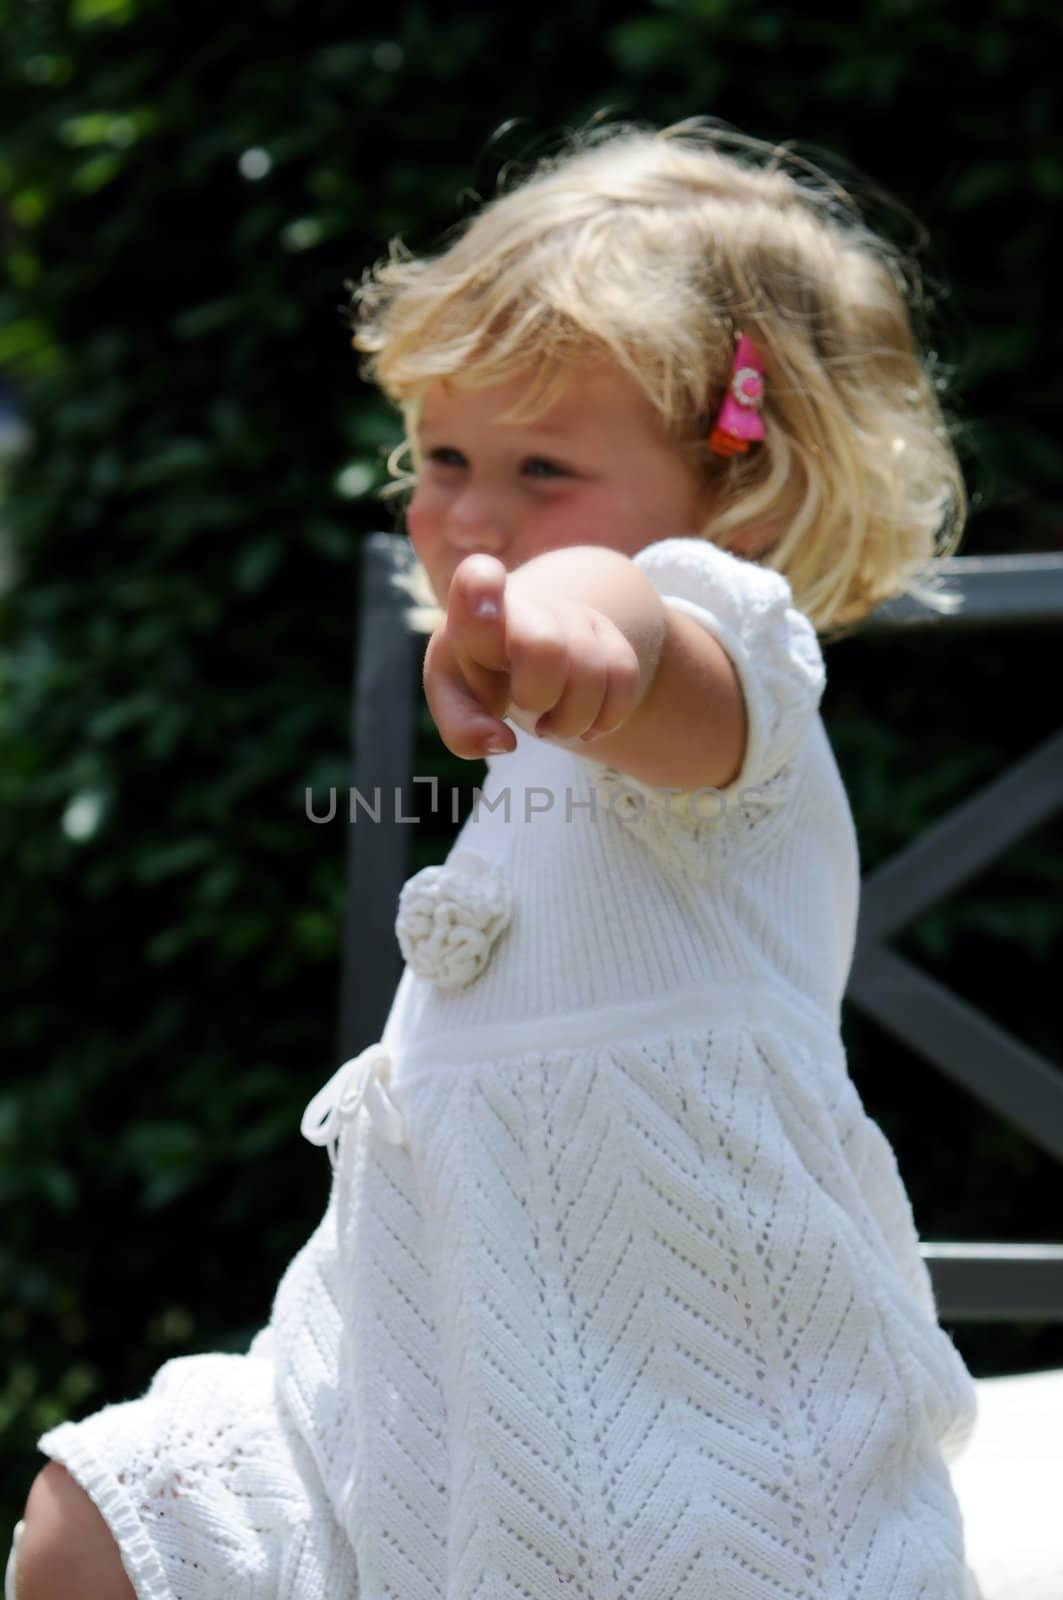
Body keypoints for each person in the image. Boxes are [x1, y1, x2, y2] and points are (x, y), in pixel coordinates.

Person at [10, 120, 984, 1600]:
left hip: (676, 1386)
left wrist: (586, 621)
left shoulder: (732, 681)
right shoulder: (546, 735)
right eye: (447, 456)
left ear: (748, 492)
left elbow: (649, 615)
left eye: (545, 467)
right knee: (92, 1530)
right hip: (412, 1355)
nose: (474, 515)